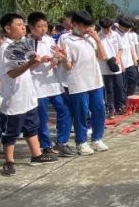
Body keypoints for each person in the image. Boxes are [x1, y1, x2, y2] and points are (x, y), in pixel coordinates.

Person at [0, 13, 57, 175]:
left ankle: (36, 155)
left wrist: (36, 62)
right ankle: (9, 161)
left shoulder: (22, 44)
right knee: (13, 129)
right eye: (19, 25)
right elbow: (11, 73)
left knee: (31, 125)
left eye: (23, 24)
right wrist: (30, 63)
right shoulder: (7, 48)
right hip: (14, 94)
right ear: (7, 28)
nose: (23, 27)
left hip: (27, 92)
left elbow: (25, 68)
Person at [27, 12, 74, 159]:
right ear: (31, 27)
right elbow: (25, 67)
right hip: (37, 85)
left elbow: (56, 57)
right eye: (39, 26)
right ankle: (45, 145)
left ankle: (61, 141)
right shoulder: (27, 43)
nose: (43, 29)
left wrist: (57, 58)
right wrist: (39, 61)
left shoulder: (49, 40)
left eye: (45, 26)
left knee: (64, 110)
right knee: (42, 116)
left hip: (53, 83)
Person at [61, 10, 108, 155]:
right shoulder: (66, 40)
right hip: (78, 82)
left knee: (99, 109)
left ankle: (97, 138)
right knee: (81, 112)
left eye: (89, 26)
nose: (87, 29)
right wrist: (62, 59)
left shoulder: (91, 39)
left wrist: (97, 39)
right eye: (84, 26)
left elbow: (103, 56)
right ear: (74, 24)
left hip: (95, 80)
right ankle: (81, 142)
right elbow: (67, 65)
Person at [98, 18, 122, 118]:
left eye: (108, 28)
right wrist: (107, 59)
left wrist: (117, 58)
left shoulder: (116, 35)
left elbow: (121, 48)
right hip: (104, 66)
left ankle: (119, 106)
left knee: (119, 87)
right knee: (109, 89)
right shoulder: (98, 36)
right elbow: (97, 53)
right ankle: (111, 109)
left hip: (116, 65)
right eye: (105, 28)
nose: (107, 30)